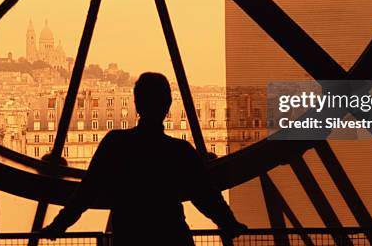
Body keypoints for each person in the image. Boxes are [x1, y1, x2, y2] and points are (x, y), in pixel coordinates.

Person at [39, 72, 247, 245]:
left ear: (137, 104)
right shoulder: (180, 151)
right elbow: (206, 197)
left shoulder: (116, 143)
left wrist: (58, 226)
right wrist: (230, 223)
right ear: (167, 107)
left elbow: (86, 193)